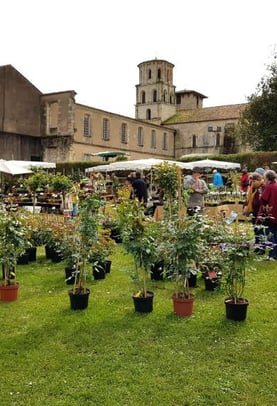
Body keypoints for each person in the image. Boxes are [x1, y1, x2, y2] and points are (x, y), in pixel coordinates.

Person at [257, 170, 277, 261]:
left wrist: (260, 194)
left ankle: (272, 254)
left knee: (270, 234)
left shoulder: (269, 187)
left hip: (271, 213)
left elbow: (263, 199)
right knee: (276, 233)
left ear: (267, 178)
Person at [243, 172, 265, 254]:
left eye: (252, 181)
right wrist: (245, 206)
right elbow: (248, 198)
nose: (251, 183)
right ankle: (257, 246)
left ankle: (261, 248)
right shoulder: (252, 187)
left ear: (257, 180)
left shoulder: (262, 187)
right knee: (256, 230)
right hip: (254, 212)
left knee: (260, 230)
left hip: (259, 211)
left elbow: (260, 201)